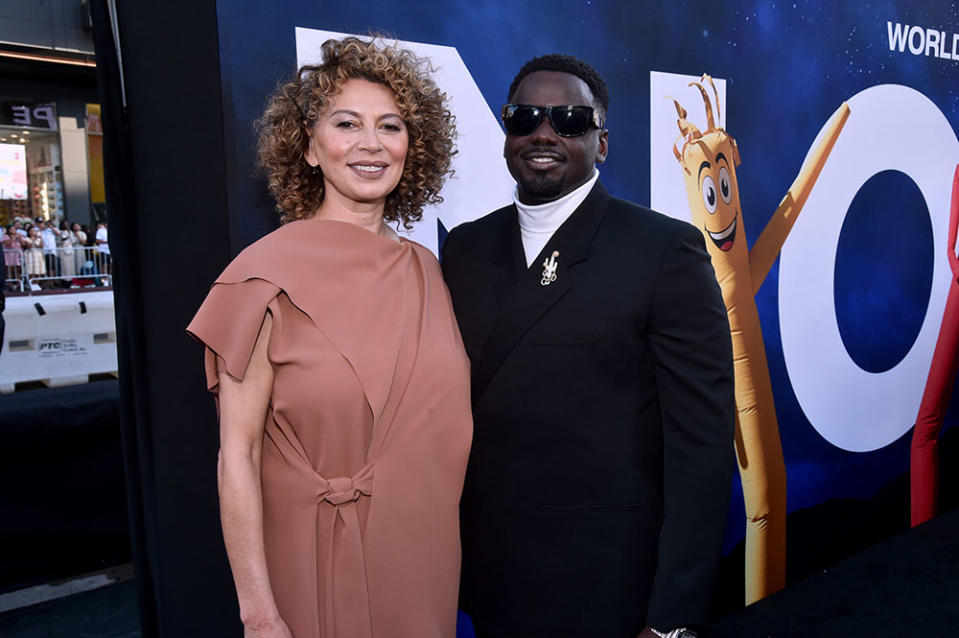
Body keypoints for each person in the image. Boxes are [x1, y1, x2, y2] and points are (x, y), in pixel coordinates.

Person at [442, 54, 736, 638]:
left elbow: (700, 450)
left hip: (610, 584)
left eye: (570, 119)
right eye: (525, 117)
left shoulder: (663, 250)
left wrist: (673, 616)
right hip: (494, 575)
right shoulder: (466, 251)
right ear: (506, 135)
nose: (544, 133)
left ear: (601, 143)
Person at [187, 36, 471, 638]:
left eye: (390, 126)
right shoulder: (260, 278)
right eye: (347, 124)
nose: (371, 144)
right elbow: (235, 456)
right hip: (310, 561)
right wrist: (259, 615)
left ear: (410, 148)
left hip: (423, 563)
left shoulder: (428, 270)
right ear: (309, 147)